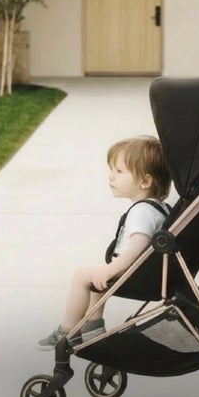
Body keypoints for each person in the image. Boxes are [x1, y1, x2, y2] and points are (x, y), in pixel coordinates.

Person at [39, 135, 172, 350]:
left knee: (83, 275)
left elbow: (137, 248)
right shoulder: (159, 208)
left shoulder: (142, 212)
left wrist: (111, 270)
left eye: (119, 172)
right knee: (98, 280)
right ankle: (93, 329)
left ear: (145, 181)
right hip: (149, 272)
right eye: (112, 170)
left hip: (136, 273)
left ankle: (68, 331)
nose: (111, 177)